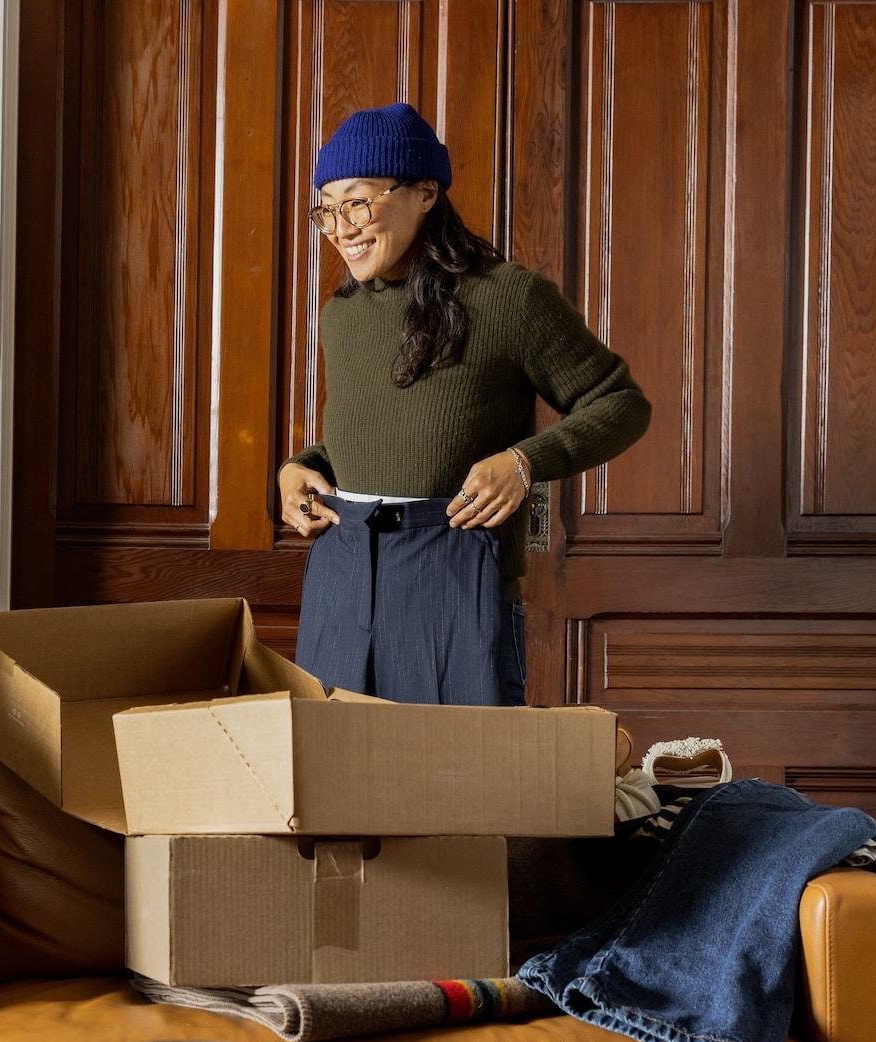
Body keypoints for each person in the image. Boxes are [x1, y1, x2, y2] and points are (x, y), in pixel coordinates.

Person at [279, 103, 651, 706]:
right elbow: (376, 432)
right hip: (340, 571)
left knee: (460, 786)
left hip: (454, 566)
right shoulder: (341, 316)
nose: (341, 227)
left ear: (425, 193)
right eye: (327, 209)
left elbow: (621, 403)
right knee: (331, 779)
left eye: (357, 201)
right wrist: (298, 466)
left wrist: (525, 462)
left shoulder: (510, 298)